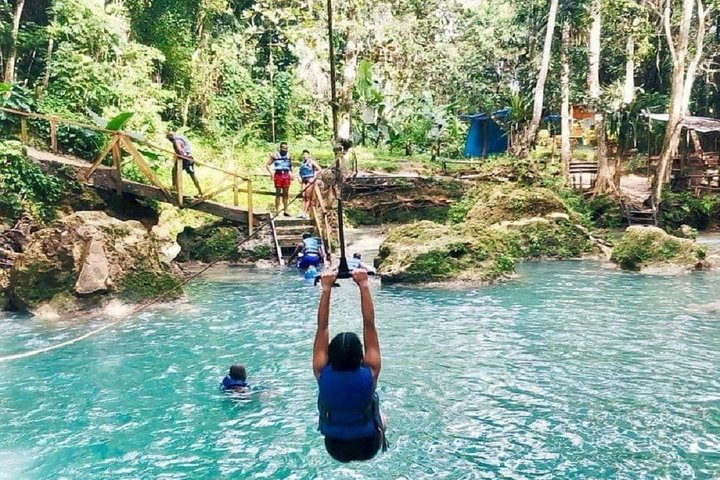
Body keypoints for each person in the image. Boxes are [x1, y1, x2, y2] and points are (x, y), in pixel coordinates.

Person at [313, 269, 388, 462]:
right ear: (360, 356)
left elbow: (322, 327)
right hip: (369, 445)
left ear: (331, 354)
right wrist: (363, 285)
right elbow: (369, 325)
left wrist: (326, 288)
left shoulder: (321, 370)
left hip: (335, 447)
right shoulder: (371, 370)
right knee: (380, 414)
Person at [166, 133, 203, 197]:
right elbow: (184, 149)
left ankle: (175, 189)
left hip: (184, 159)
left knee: (176, 171)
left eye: (169, 139)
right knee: (191, 175)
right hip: (189, 158)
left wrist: (179, 157)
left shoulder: (176, 141)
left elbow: (180, 151)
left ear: (170, 137)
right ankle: (200, 191)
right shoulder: (181, 139)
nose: (169, 140)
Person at [265, 142, 293, 216]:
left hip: (286, 175)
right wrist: (271, 173)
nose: (285, 150)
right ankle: (277, 210)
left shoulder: (289, 155)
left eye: (286, 148)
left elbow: (290, 166)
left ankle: (286, 210)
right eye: (283, 148)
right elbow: (267, 165)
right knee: (278, 193)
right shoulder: (275, 155)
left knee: (286, 193)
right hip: (278, 175)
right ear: (280, 148)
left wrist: (291, 173)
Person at [298, 150, 322, 219]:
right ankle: (301, 212)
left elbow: (319, 169)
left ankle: (305, 212)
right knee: (303, 196)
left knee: (308, 197)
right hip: (303, 180)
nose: (305, 156)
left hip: (309, 180)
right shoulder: (302, 163)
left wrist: (314, 177)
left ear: (309, 155)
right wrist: (299, 177)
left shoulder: (312, 162)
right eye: (304, 154)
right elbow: (299, 172)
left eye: (306, 154)